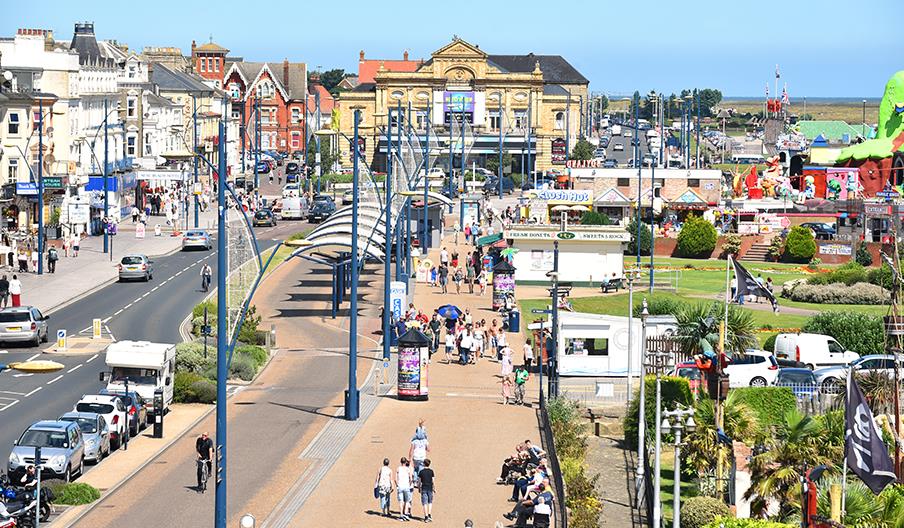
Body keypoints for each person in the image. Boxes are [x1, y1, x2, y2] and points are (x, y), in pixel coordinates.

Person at [396, 457, 414, 521]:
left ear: (401, 462)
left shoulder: (398, 468)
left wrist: (397, 485)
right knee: (407, 501)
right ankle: (406, 514)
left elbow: (396, 479)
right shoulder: (408, 469)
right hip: (406, 486)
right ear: (405, 462)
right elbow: (411, 479)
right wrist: (409, 484)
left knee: (401, 501)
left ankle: (401, 515)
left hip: (400, 486)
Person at [417, 459, 435, 523]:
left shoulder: (421, 472)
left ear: (424, 464)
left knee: (424, 503)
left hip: (424, 488)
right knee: (430, 502)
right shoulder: (431, 471)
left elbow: (419, 481)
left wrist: (419, 488)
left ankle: (426, 516)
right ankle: (429, 515)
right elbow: (433, 481)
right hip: (430, 488)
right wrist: (434, 488)